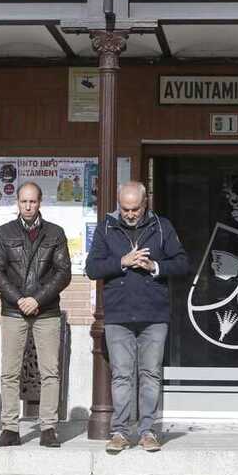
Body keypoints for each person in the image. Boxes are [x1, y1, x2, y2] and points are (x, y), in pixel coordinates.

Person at [85, 181, 189, 454]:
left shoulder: (161, 226)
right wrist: (123, 261)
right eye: (125, 208)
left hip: (154, 313)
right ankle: (120, 432)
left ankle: (148, 432)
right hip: (119, 313)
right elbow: (93, 268)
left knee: (150, 374)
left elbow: (182, 263)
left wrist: (155, 266)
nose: (130, 214)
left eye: (135, 208)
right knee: (121, 376)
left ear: (146, 203)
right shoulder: (106, 227)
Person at [0, 182, 72, 448]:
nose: (28, 206)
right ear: (17, 202)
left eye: (32, 202)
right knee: (9, 371)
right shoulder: (4, 232)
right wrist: (20, 299)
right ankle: (10, 428)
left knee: (50, 371)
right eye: (23, 201)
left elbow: (63, 273)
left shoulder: (55, 233)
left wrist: (37, 299)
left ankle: (48, 428)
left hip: (46, 311)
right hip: (13, 310)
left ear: (40, 202)